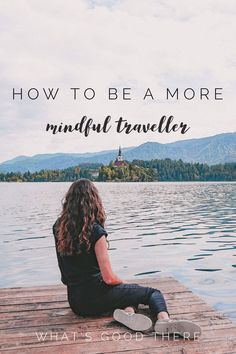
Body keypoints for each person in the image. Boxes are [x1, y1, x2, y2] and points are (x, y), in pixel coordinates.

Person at [53, 179, 201, 338]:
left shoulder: (58, 227)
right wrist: (122, 283)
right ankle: (164, 321)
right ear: (94, 201)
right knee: (152, 293)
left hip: (76, 303)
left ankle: (128, 313)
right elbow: (109, 278)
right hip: (96, 297)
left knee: (127, 294)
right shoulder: (95, 231)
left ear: (69, 201)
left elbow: (64, 276)